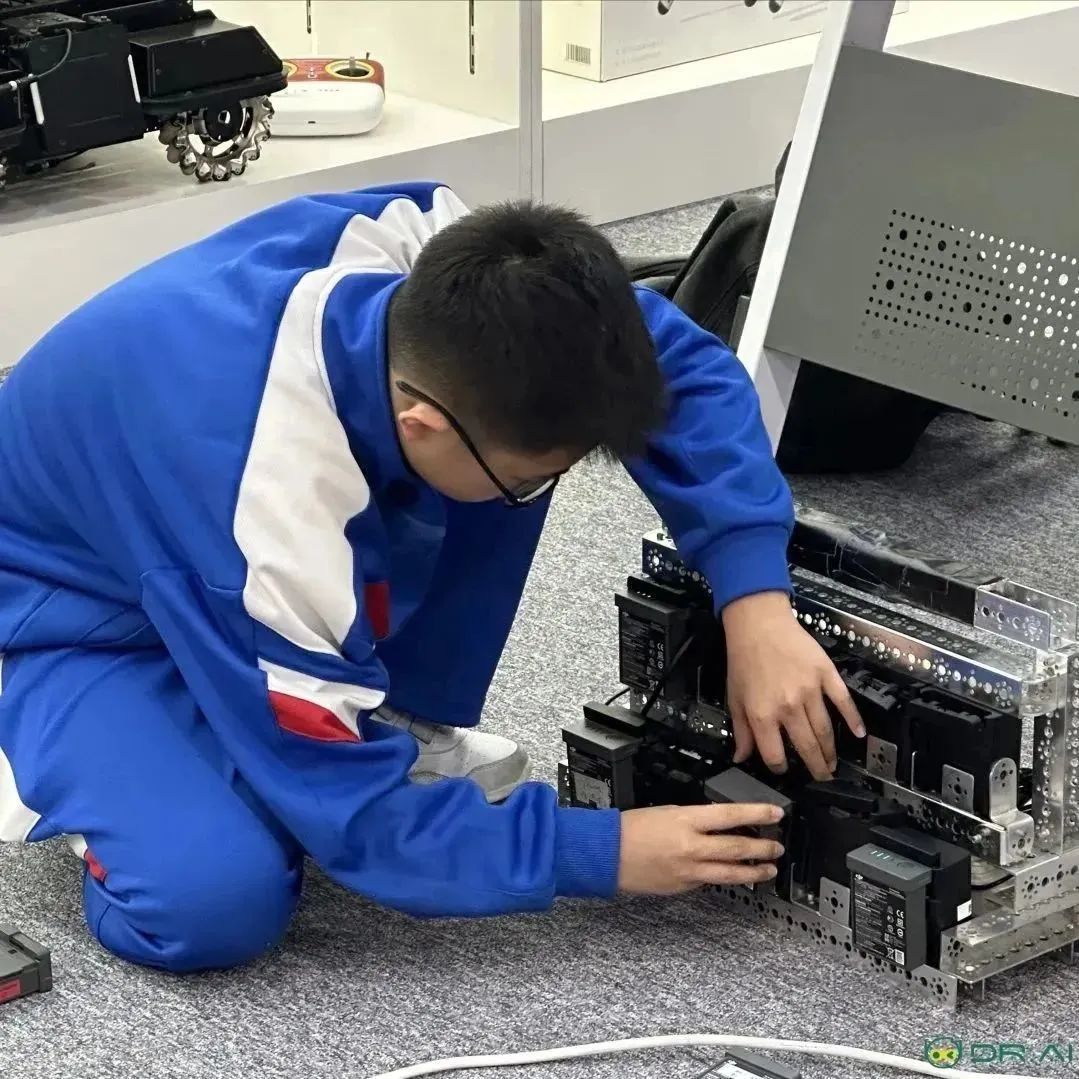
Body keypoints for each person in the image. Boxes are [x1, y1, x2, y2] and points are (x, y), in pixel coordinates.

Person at [0, 182, 863, 973]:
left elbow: (681, 368)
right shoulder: (271, 508)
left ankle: (338, 716)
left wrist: (756, 603)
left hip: (199, 542)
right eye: (531, 479)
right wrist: (602, 852)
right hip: (71, 618)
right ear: (419, 420)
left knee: (494, 463)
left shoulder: (445, 259)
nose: (538, 491)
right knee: (214, 899)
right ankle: (90, 764)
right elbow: (361, 826)